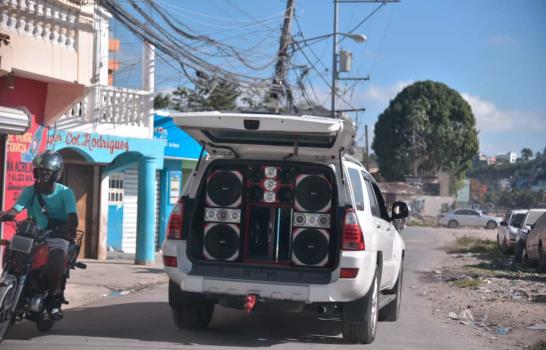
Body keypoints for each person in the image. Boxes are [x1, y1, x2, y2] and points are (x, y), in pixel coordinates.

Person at [0, 150, 78, 319]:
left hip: (57, 234)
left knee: (57, 256)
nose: (43, 175)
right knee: (13, 247)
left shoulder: (65, 193)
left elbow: (72, 217)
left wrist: (68, 230)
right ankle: (11, 275)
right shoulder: (30, 190)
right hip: (34, 231)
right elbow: (17, 208)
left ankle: (52, 300)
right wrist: (7, 214)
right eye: (41, 170)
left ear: (56, 174)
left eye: (48, 172)